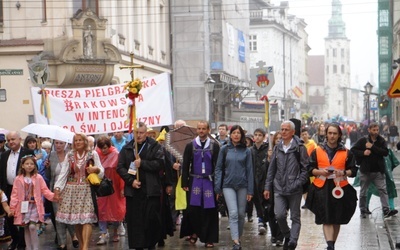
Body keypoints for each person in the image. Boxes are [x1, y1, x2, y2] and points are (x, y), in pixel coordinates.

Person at [305, 123, 358, 250]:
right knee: (326, 218)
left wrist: (344, 172)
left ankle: (332, 244)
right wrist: (320, 172)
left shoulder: (346, 152)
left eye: (335, 133)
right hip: (322, 188)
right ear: (326, 134)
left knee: (336, 219)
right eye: (330, 133)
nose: (332, 136)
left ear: (339, 135)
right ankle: (329, 245)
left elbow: (354, 171)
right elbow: (309, 169)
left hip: (340, 189)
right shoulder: (317, 151)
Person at [116, 122, 164, 250]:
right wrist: (131, 181)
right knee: (135, 221)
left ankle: (150, 244)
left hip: (150, 190)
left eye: (141, 133)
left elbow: (160, 164)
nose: (139, 135)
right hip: (133, 191)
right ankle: (138, 245)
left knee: (150, 220)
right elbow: (120, 167)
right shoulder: (127, 148)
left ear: (146, 133)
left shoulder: (155, 146)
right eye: (136, 133)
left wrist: (142, 163)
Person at [53, 133, 104, 250]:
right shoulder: (70, 155)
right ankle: (82, 245)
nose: (78, 142)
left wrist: (95, 169)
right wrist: (57, 188)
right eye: (76, 140)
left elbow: (101, 172)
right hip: (72, 190)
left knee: (87, 218)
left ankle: (85, 247)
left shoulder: (92, 153)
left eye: (80, 140)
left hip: (87, 189)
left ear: (85, 141)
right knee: (77, 219)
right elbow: (64, 173)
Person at [263, 121, 309, 250]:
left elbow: (305, 169)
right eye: (282, 129)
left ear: (293, 132)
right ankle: (287, 235)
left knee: (295, 216)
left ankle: (292, 242)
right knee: (279, 215)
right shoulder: (277, 147)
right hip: (279, 187)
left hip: (294, 188)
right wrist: (267, 187)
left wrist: (297, 183)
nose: (283, 132)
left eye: (286, 130)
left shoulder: (300, 147)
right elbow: (271, 169)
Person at [180, 121, 220, 248]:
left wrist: (218, 185)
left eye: (203, 129)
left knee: (210, 210)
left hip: (209, 181)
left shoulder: (214, 145)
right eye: (199, 129)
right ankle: (195, 232)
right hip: (194, 181)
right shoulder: (190, 145)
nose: (201, 131)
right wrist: (184, 182)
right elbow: (185, 165)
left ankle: (209, 238)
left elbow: (218, 167)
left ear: (208, 130)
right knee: (193, 210)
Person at [215, 125, 253, 250]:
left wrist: (250, 190)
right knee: (233, 213)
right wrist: (217, 187)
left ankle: (238, 237)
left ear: (242, 135)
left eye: (238, 133)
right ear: (230, 135)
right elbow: (219, 168)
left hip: (243, 185)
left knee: (242, 214)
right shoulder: (224, 149)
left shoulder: (247, 151)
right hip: (228, 185)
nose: (236, 135)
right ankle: (236, 241)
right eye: (234, 132)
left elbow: (249, 171)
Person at [351, 122, 398, 218]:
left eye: (377, 130)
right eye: (374, 130)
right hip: (365, 170)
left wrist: (372, 147)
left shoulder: (381, 141)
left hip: (378, 171)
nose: (376, 132)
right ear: (369, 130)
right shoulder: (363, 140)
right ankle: (363, 209)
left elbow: (385, 152)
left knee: (383, 190)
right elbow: (353, 150)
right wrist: (363, 152)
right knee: (364, 191)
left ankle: (386, 209)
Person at [9, 155, 55, 250]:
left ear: (34, 165)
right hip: (23, 207)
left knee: (32, 227)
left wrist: (54, 197)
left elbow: (44, 190)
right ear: (22, 165)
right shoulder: (18, 179)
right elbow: (14, 194)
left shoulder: (38, 178)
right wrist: (12, 208)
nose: (29, 166)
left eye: (31, 164)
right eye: (27, 164)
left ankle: (35, 248)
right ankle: (29, 248)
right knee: (26, 227)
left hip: (35, 206)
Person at [0, 131, 34, 250]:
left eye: (13, 139)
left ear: (20, 139)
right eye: (9, 140)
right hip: (8, 189)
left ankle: (23, 242)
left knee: (24, 215)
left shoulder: (28, 152)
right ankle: (15, 240)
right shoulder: (4, 155)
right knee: (10, 215)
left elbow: (34, 170)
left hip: (23, 190)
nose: (11, 142)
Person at [45, 140, 78, 250]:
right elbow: (49, 176)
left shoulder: (71, 154)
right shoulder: (51, 156)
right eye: (57, 143)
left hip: (70, 188)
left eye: (61, 143)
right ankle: (62, 242)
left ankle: (74, 235)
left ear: (65, 144)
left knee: (69, 215)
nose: (58, 145)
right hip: (56, 189)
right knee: (58, 216)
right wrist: (47, 167)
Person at [95, 136, 126, 245]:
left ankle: (115, 231)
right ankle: (103, 232)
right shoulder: (96, 155)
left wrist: (122, 188)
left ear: (109, 146)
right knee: (101, 209)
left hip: (114, 186)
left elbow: (121, 172)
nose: (104, 150)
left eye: (105, 147)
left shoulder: (116, 154)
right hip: (101, 186)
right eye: (101, 148)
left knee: (115, 210)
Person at [250, 128, 269, 235]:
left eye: (259, 135)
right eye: (255, 135)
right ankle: (261, 220)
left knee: (266, 201)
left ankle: (264, 220)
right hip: (254, 179)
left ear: (264, 137)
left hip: (265, 179)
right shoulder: (250, 151)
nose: (257, 137)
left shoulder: (268, 150)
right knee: (257, 201)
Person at [266, 131, 283, 246]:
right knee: (271, 211)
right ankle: (273, 234)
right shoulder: (269, 153)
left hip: (282, 186)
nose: (278, 140)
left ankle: (280, 235)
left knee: (281, 213)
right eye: (276, 138)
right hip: (271, 186)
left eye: (280, 138)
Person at [300, 128, 317, 208]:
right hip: (303, 168)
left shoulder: (312, 144)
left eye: (305, 134)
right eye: (302, 134)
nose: (304, 136)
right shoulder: (300, 145)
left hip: (311, 166)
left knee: (312, 185)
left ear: (308, 135)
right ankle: (307, 202)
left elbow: (316, 153)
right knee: (305, 185)